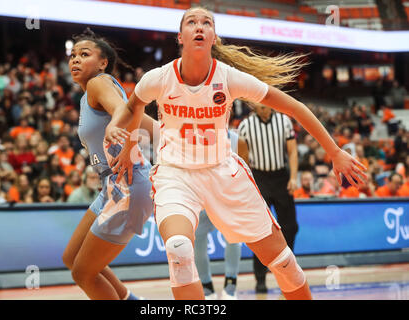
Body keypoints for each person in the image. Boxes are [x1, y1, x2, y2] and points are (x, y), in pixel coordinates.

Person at [105, 7, 366, 300]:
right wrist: (126, 143)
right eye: (192, 22)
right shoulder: (160, 77)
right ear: (181, 36)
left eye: (207, 23)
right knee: (179, 249)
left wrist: (334, 151)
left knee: (284, 263)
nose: (200, 26)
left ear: (214, 37)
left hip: (223, 172)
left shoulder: (228, 78)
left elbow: (293, 107)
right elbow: (131, 107)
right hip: (175, 175)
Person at [61, 28, 158, 300]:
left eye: (84, 54)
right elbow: (150, 124)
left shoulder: (99, 82)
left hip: (128, 184)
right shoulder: (90, 95)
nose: (76, 60)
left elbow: (120, 111)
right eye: (73, 55)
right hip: (111, 186)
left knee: (83, 273)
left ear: (103, 63)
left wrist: (126, 141)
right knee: (72, 258)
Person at [238, 103, 299, 294]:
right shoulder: (245, 125)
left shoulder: (284, 121)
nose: (261, 106)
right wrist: (246, 184)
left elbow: (292, 151)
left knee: (290, 227)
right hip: (259, 178)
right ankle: (260, 278)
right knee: (260, 231)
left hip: (281, 177)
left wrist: (294, 177)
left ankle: (289, 275)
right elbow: (242, 157)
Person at [194, 130, 241, 300]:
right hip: (202, 198)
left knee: (234, 238)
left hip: (226, 198)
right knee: (197, 241)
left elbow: (242, 171)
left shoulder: (235, 138)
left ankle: (231, 283)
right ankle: (206, 285)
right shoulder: (194, 135)